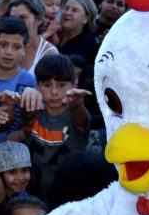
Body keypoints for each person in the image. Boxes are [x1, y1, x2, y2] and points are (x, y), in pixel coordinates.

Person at [8, 54, 91, 199]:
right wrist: (28, 93)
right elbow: (27, 111)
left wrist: (77, 104)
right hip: (34, 195)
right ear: (38, 86)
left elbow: (79, 113)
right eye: (47, 85)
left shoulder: (76, 114)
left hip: (70, 197)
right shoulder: (34, 110)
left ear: (73, 85)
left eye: (61, 85)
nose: (54, 92)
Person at [0, 17, 37, 142]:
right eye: (3, 45)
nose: (9, 52)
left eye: (16, 47)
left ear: (25, 49)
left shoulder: (30, 83)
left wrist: (21, 134)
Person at [7, 0, 58, 72]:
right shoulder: (0, 46)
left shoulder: (49, 54)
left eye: (22, 17)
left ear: (39, 19)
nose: (16, 22)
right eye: (13, 17)